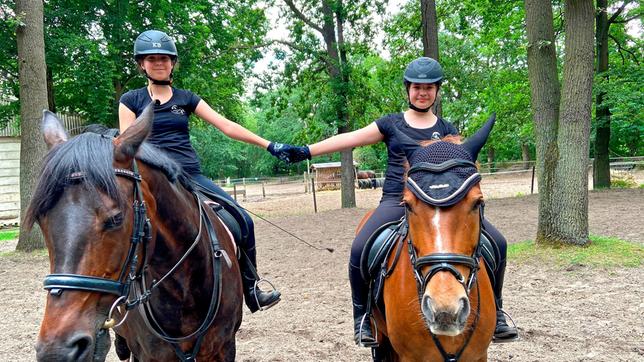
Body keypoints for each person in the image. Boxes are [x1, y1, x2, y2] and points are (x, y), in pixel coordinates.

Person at [268, 57, 519, 345]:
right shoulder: (391, 123)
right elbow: (351, 138)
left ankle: (497, 312)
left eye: (428, 88)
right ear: (408, 90)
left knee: (497, 242)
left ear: (437, 91)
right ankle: (362, 317)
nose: (422, 93)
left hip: (440, 204)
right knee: (361, 247)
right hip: (396, 202)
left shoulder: (447, 128)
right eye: (416, 87)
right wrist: (305, 151)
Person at [119, 29, 280, 313]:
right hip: (151, 180)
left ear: (172, 63)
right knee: (121, 229)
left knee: (243, 221)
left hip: (190, 176)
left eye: (165, 58)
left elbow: (226, 125)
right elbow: (128, 143)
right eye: (152, 58)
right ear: (142, 64)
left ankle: (252, 288)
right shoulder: (131, 101)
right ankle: (120, 305)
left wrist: (268, 144)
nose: (159, 63)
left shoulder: (186, 98)